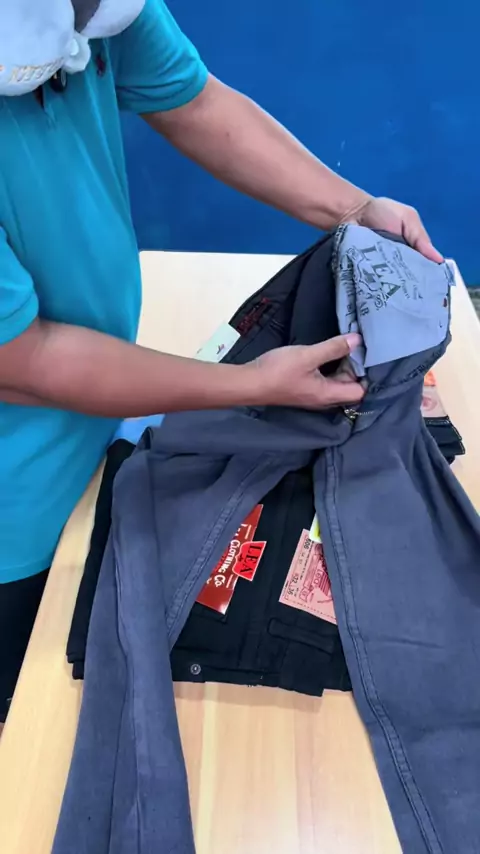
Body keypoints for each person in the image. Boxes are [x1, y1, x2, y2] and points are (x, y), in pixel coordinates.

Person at [0, 0, 442, 725]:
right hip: (15, 502)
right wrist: (246, 385)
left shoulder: (98, 10)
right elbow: (23, 358)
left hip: (96, 422)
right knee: (37, 711)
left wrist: (354, 208)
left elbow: (195, 101)